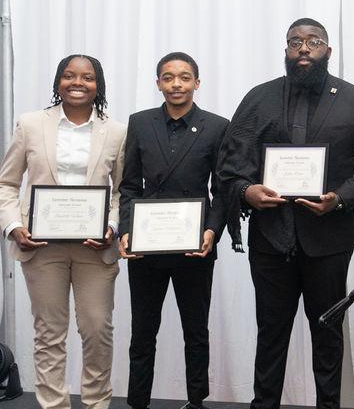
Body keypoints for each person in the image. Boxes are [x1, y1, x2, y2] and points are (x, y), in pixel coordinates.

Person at [216, 18, 354, 409]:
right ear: (286, 52)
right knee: (271, 334)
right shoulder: (258, 98)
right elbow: (232, 160)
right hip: (271, 237)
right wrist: (247, 191)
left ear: (328, 51)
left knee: (327, 334)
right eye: (295, 42)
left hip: (328, 239)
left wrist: (342, 198)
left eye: (313, 42)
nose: (303, 49)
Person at [0, 55, 126, 409]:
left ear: (97, 84)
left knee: (97, 330)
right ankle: (53, 405)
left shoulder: (116, 131)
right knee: (49, 334)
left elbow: (122, 190)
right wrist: (13, 226)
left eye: (87, 77)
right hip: (41, 247)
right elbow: (7, 183)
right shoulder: (30, 124)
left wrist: (112, 226)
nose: (77, 82)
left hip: (94, 248)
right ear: (58, 82)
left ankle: (96, 403)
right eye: (69, 76)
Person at [117, 52, 229, 409]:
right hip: (146, 247)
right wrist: (126, 230)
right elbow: (130, 186)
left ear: (197, 82)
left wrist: (212, 231)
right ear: (158, 84)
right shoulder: (140, 123)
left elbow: (222, 189)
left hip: (194, 246)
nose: (176, 84)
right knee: (142, 332)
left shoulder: (217, 126)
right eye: (168, 77)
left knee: (196, 331)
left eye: (184, 77)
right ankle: (137, 402)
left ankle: (196, 401)